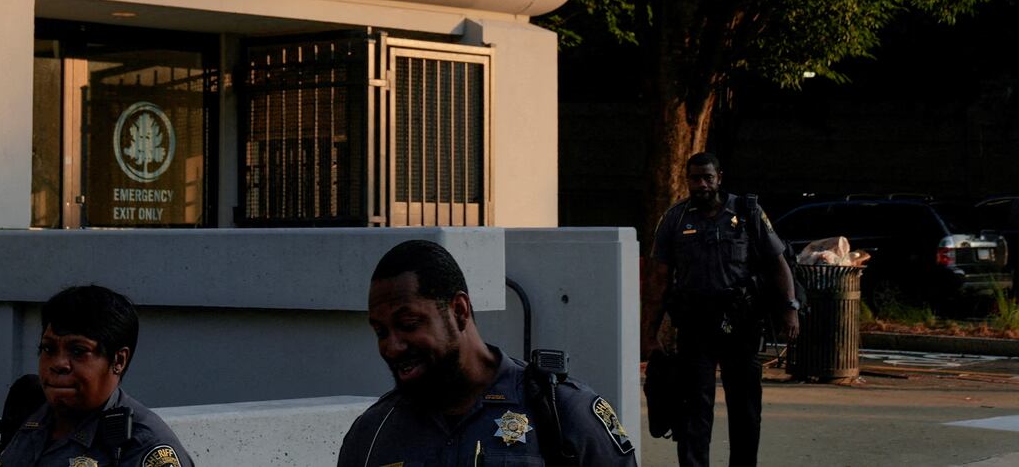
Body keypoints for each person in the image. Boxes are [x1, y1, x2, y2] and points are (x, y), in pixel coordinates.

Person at [338, 239, 638, 466]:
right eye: (380, 331)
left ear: (458, 310)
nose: (392, 346)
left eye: (408, 324)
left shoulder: (563, 414)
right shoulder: (373, 432)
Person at [646, 151, 800, 467]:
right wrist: (649, 331)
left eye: (707, 177)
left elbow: (777, 263)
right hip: (693, 325)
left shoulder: (748, 213)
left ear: (720, 177)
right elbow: (660, 280)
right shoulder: (674, 218)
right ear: (687, 179)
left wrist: (790, 309)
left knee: (744, 407)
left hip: (741, 323)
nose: (701, 184)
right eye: (694, 178)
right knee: (693, 408)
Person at [0, 284, 193, 467]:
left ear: (118, 361)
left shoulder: (142, 446)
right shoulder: (31, 410)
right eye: (48, 348)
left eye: (78, 351)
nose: (58, 364)